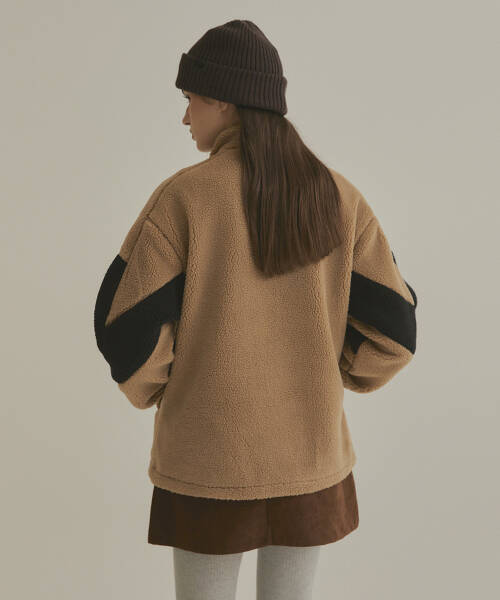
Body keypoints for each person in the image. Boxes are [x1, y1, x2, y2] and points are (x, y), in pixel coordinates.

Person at [93, 19, 417, 600]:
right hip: (309, 458)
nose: (185, 116)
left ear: (224, 99)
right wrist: (330, 370)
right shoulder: (339, 198)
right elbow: (395, 331)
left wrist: (172, 387)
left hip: (207, 463)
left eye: (191, 99)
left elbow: (124, 330)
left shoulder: (184, 199)